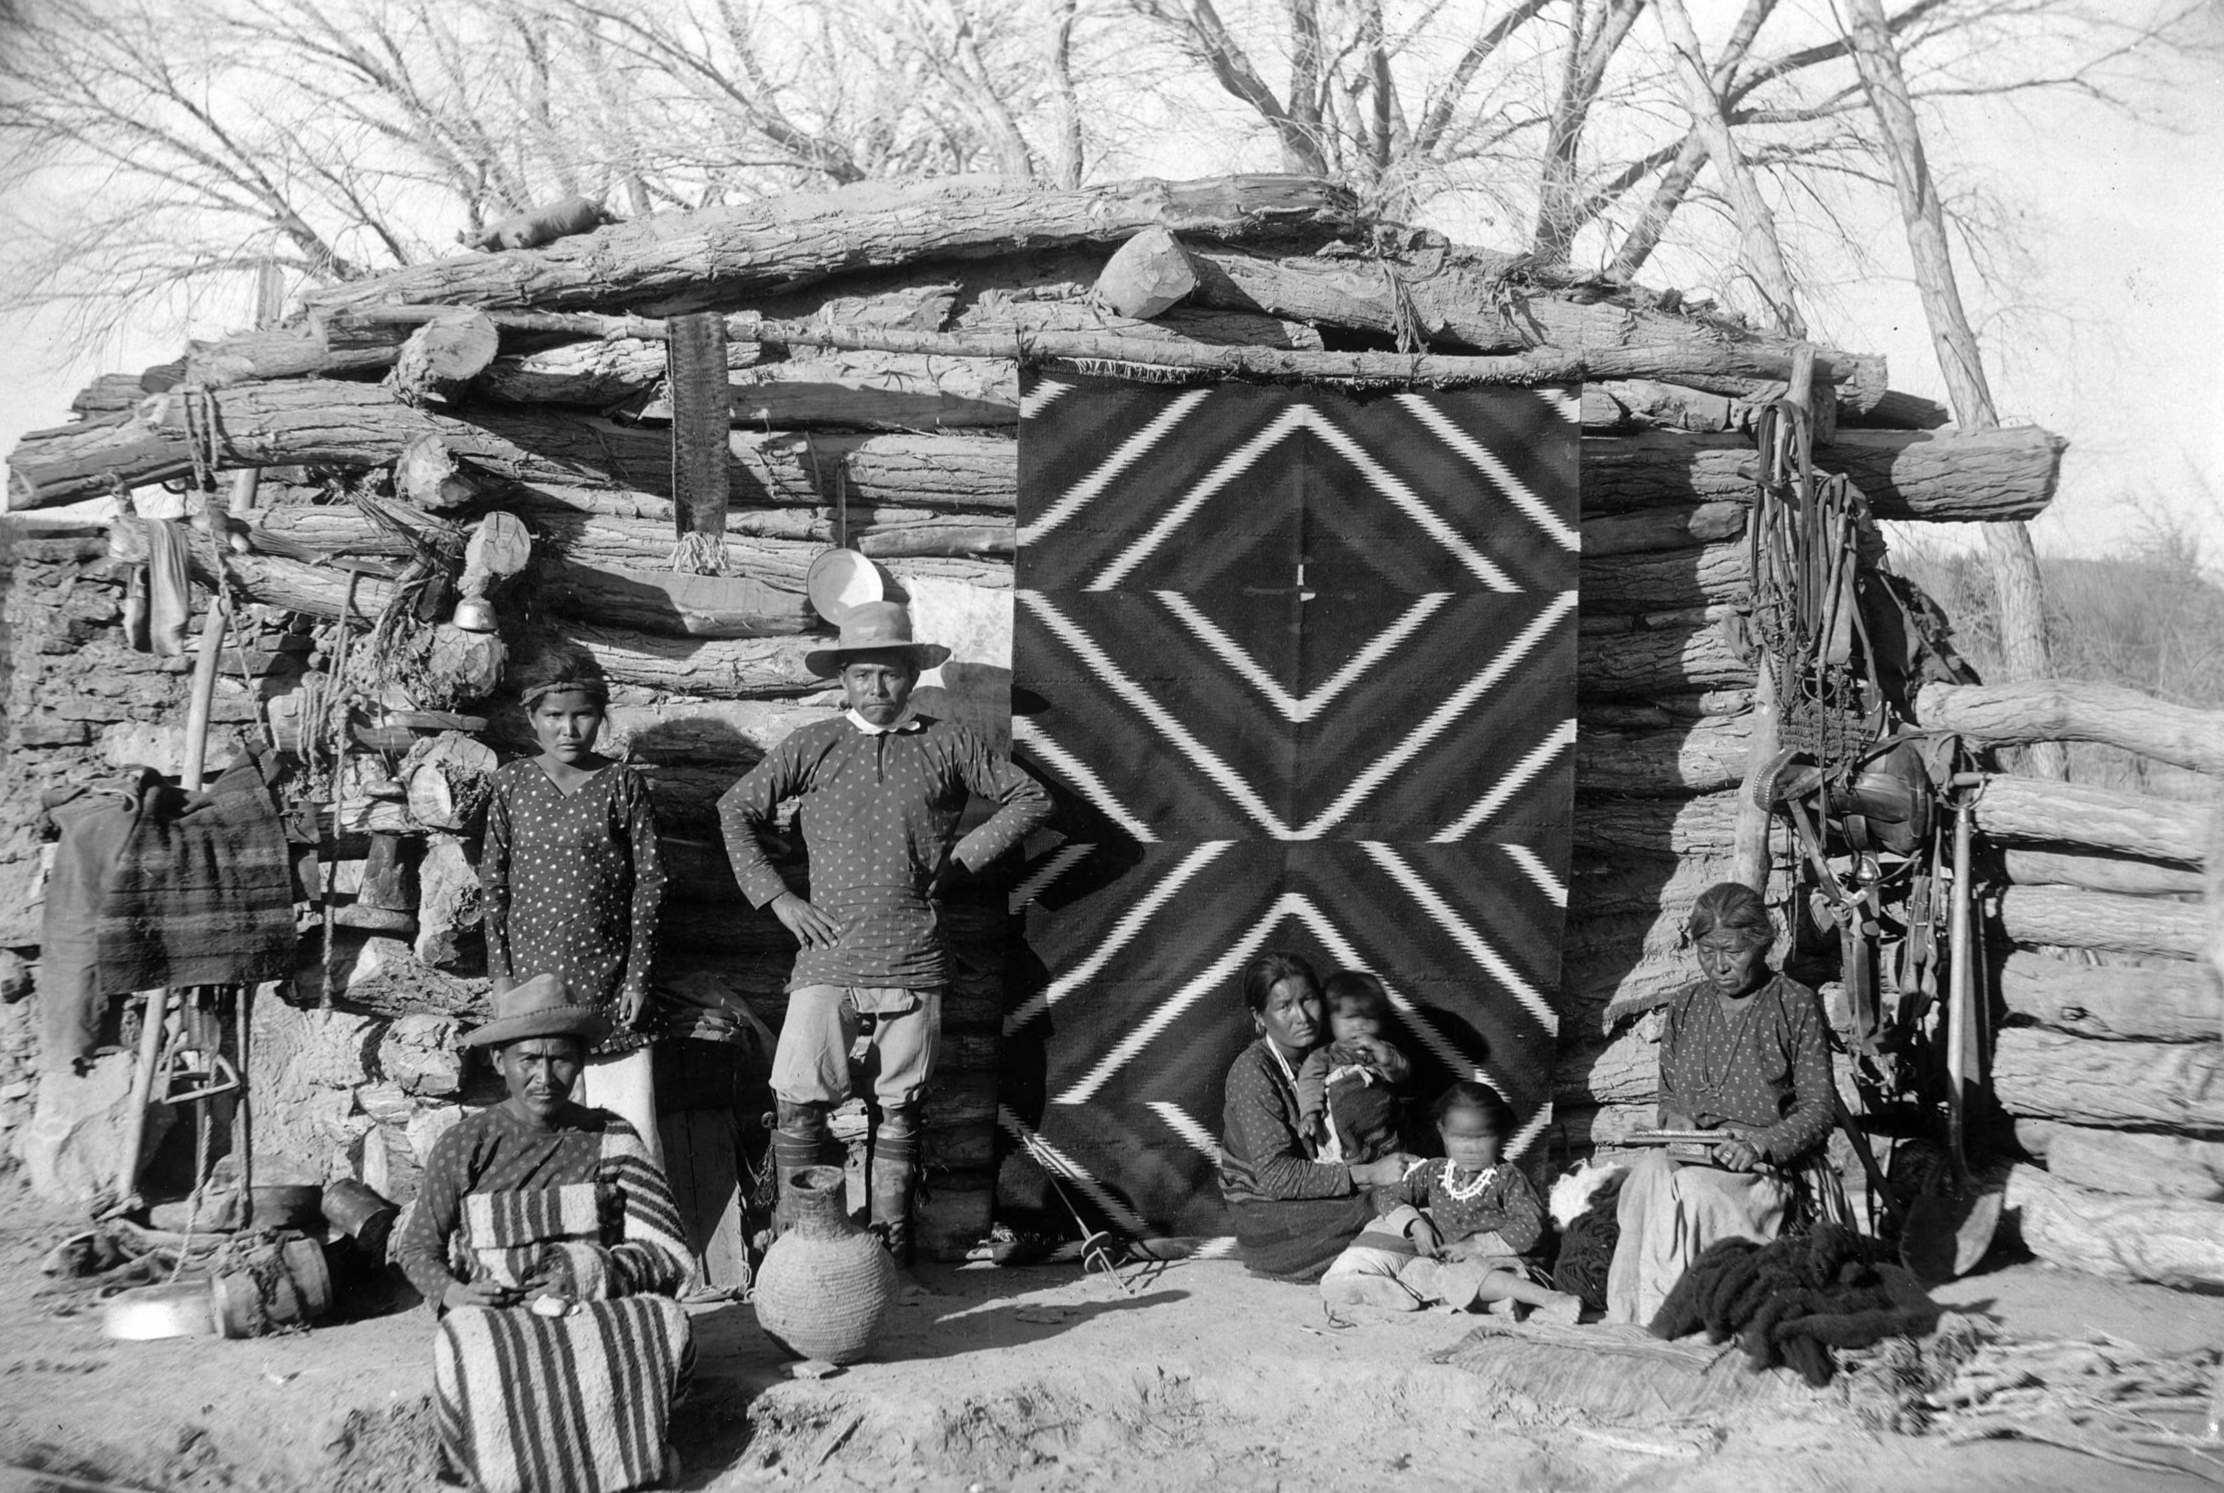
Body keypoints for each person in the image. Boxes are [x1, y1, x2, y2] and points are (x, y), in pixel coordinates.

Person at [719, 601, 1051, 1262]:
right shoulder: (814, 744)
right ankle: (807, 1257)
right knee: (798, 1103)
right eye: (863, 674)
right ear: (842, 678)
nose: (878, 688)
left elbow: (1031, 797)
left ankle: (890, 1256)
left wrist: (959, 862)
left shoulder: (945, 741)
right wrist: (778, 898)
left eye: (891, 673)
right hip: (828, 958)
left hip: (914, 957)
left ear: (911, 674)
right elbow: (736, 808)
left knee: (899, 1110)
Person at [397, 974, 695, 1493]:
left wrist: (586, 1273)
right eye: (527, 1060)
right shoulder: (466, 1144)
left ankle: (627, 1461)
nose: (544, 1076)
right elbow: (416, 1247)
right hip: (499, 1317)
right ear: (499, 1063)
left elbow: (668, 1252)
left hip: (592, 1309)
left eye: (559, 1058)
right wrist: (457, 1292)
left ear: (580, 1061)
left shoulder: (609, 1137)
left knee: (669, 1326)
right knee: (469, 1352)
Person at [1605, 881, 1841, 1326]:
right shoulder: (1685, 1005)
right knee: (1645, 1179)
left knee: (1694, 1193)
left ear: (1762, 943)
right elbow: (1669, 1092)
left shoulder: (1794, 1004)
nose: (1719, 966)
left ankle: (1685, 1316)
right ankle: (1636, 1315)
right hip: (1694, 1151)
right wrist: (1674, 1120)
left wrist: (1759, 1146)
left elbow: (1819, 1110)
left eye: (1732, 951)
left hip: (1759, 1167)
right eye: (1707, 951)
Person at [480, 649, 668, 1162]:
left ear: (600, 717)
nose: (568, 729)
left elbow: (649, 884)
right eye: (553, 717)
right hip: (533, 990)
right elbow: (493, 885)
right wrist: (502, 980)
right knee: (546, 1122)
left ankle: (636, 1230)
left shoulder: (621, 784)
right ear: (531, 718)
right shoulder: (511, 785)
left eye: (582, 715)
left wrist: (637, 978)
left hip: (608, 983)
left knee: (628, 1130)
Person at [1219, 952, 1416, 1283]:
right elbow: (1277, 1178)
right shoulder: (1251, 1073)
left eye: (1308, 1000)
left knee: (1412, 1196)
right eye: (1284, 1007)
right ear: (1259, 1016)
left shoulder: (1332, 1050)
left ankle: (1379, 1259)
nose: (1302, 1017)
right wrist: (1370, 1173)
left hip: (1327, 1186)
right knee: (1385, 1206)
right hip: (1270, 1211)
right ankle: (1356, 1276)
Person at [1320, 1082, 1583, 1320]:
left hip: (1510, 1263)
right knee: (1417, 1272)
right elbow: (1388, 1195)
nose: (1470, 1148)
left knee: (1457, 1276)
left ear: (1501, 1137)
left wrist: (1476, 1247)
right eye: (1460, 1137)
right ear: (1442, 1132)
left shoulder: (1507, 1178)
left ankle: (1548, 1299)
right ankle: (1497, 1305)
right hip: (1454, 1265)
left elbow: (1531, 1227)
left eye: (1482, 1137)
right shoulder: (1435, 1172)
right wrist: (1416, 1226)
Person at [1292, 970, 1412, 1164]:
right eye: (1349, 1018)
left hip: (1383, 1126)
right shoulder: (1323, 1056)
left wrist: (1382, 1053)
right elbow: (1309, 1084)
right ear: (1331, 1020)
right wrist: (1310, 1114)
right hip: (1343, 1135)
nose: (1359, 1026)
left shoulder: (1381, 1050)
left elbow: (1400, 1073)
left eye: (1368, 1018)